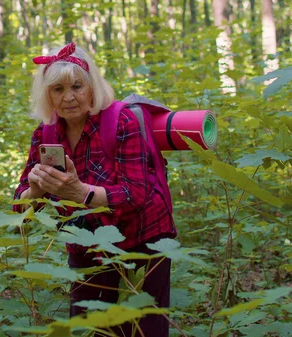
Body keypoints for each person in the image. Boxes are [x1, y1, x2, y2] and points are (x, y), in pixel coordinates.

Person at [13, 42, 177, 337]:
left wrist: (79, 192)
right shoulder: (45, 132)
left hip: (144, 236)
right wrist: (35, 190)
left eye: (77, 86)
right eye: (58, 89)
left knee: (143, 327)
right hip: (85, 240)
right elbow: (19, 204)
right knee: (89, 325)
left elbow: (134, 194)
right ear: (47, 95)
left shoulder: (121, 121)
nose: (69, 98)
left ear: (92, 87)